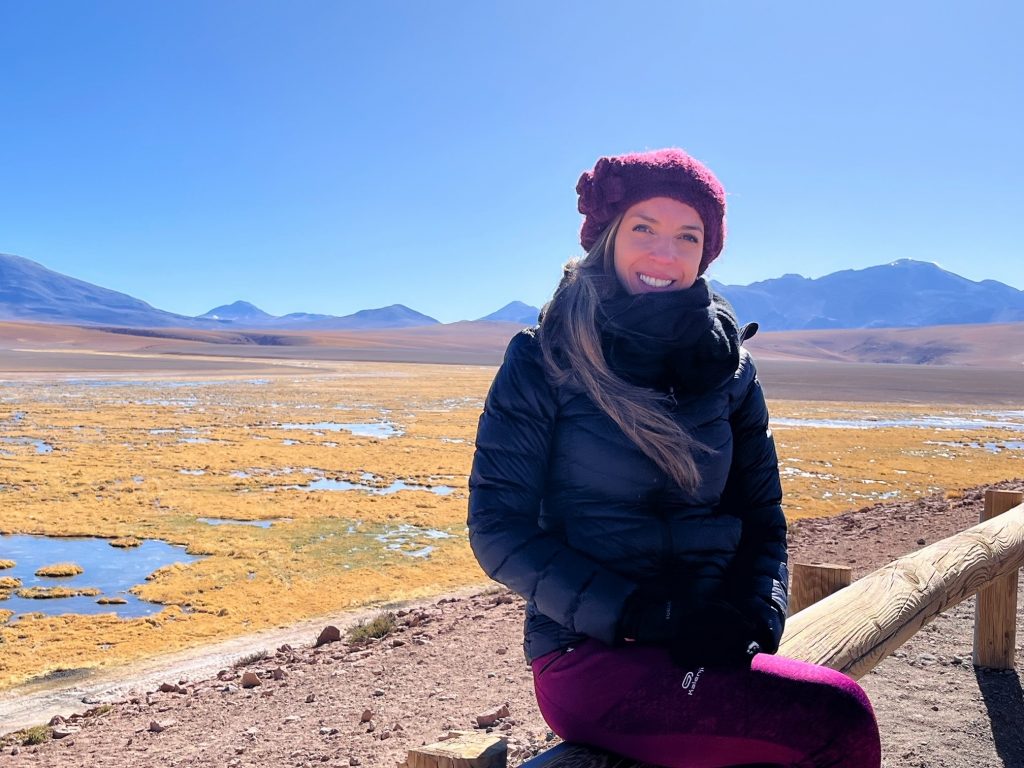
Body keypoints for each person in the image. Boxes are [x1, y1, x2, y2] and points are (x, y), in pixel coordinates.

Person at [467, 148, 882, 768]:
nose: (665, 254)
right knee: (838, 718)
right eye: (644, 229)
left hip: (713, 639)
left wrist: (751, 618)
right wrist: (643, 613)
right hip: (591, 653)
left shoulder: (731, 371)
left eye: (687, 236)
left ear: (705, 252)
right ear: (607, 236)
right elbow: (497, 529)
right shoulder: (546, 356)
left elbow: (762, 520)